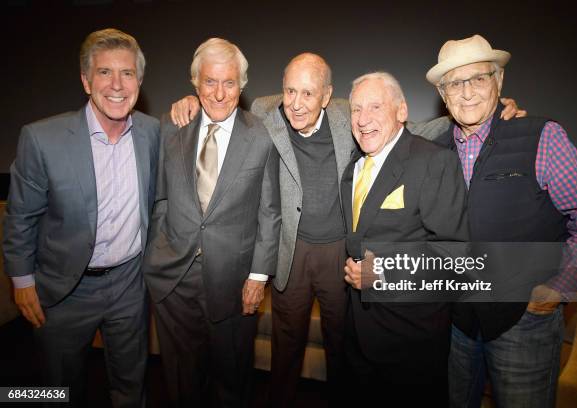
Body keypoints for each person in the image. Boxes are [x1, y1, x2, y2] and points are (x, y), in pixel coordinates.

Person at [170, 52, 523, 407]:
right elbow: (223, 107)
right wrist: (192, 101)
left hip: (340, 253)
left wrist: (483, 110)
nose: (296, 103)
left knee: (344, 345)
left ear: (326, 96)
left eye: (308, 94)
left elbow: (409, 128)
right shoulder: (265, 111)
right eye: (290, 91)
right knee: (286, 346)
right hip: (291, 249)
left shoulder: (349, 115)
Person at [426, 34, 577, 407]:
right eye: (454, 84)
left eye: (478, 78)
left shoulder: (543, 138)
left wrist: (558, 290)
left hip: (524, 324)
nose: (466, 93)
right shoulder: (434, 148)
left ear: (499, 81)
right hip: (457, 324)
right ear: (443, 96)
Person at [3, 28, 159, 407]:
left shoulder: (154, 133)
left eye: (127, 73)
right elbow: (21, 216)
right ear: (86, 80)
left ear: (139, 81)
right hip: (62, 290)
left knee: (130, 384)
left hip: (128, 284)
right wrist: (22, 281)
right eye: (105, 72)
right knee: (58, 387)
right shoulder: (42, 138)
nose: (117, 85)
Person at [142, 37, 280, 407]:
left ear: (242, 84)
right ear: (195, 83)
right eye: (210, 82)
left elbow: (270, 211)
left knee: (232, 383)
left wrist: (257, 276)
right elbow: (159, 198)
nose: (219, 94)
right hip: (174, 282)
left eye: (229, 83)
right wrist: (156, 257)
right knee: (180, 384)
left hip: (234, 286)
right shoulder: (170, 128)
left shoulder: (261, 136)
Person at [342, 71, 469, 406]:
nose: (363, 119)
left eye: (374, 107)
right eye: (356, 109)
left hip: (410, 339)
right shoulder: (353, 168)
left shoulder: (434, 162)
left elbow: (453, 257)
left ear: (401, 111)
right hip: (358, 333)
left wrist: (379, 273)